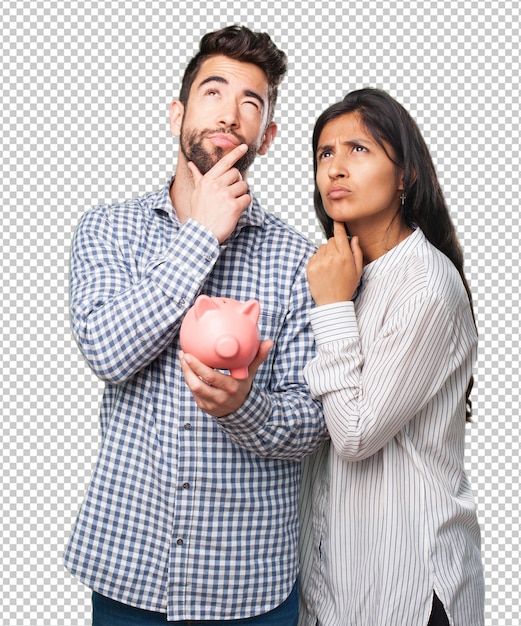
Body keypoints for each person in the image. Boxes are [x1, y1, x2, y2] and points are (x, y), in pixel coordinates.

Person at [64, 25, 327, 625]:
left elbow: (315, 424)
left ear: (268, 136)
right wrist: (202, 236)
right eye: (214, 92)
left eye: (252, 103)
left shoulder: (297, 261)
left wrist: (244, 406)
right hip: (130, 573)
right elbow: (107, 350)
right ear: (177, 113)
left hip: (248, 585)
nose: (230, 114)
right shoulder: (107, 230)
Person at [298, 88, 484, 625]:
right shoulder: (340, 273)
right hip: (339, 586)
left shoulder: (424, 286)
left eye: (358, 150)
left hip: (406, 589)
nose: (336, 167)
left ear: (404, 176)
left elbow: (354, 435)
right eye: (325, 153)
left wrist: (331, 308)